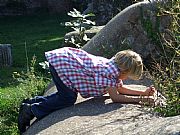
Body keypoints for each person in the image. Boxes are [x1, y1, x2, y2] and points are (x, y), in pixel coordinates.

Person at [18, 47, 156, 133]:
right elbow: (116, 97)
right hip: (63, 64)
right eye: (128, 75)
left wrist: (143, 93)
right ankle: (32, 110)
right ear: (124, 70)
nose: (126, 78)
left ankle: (32, 102)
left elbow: (121, 89)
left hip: (64, 59)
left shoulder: (114, 67)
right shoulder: (109, 72)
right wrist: (142, 100)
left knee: (65, 95)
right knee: (67, 98)